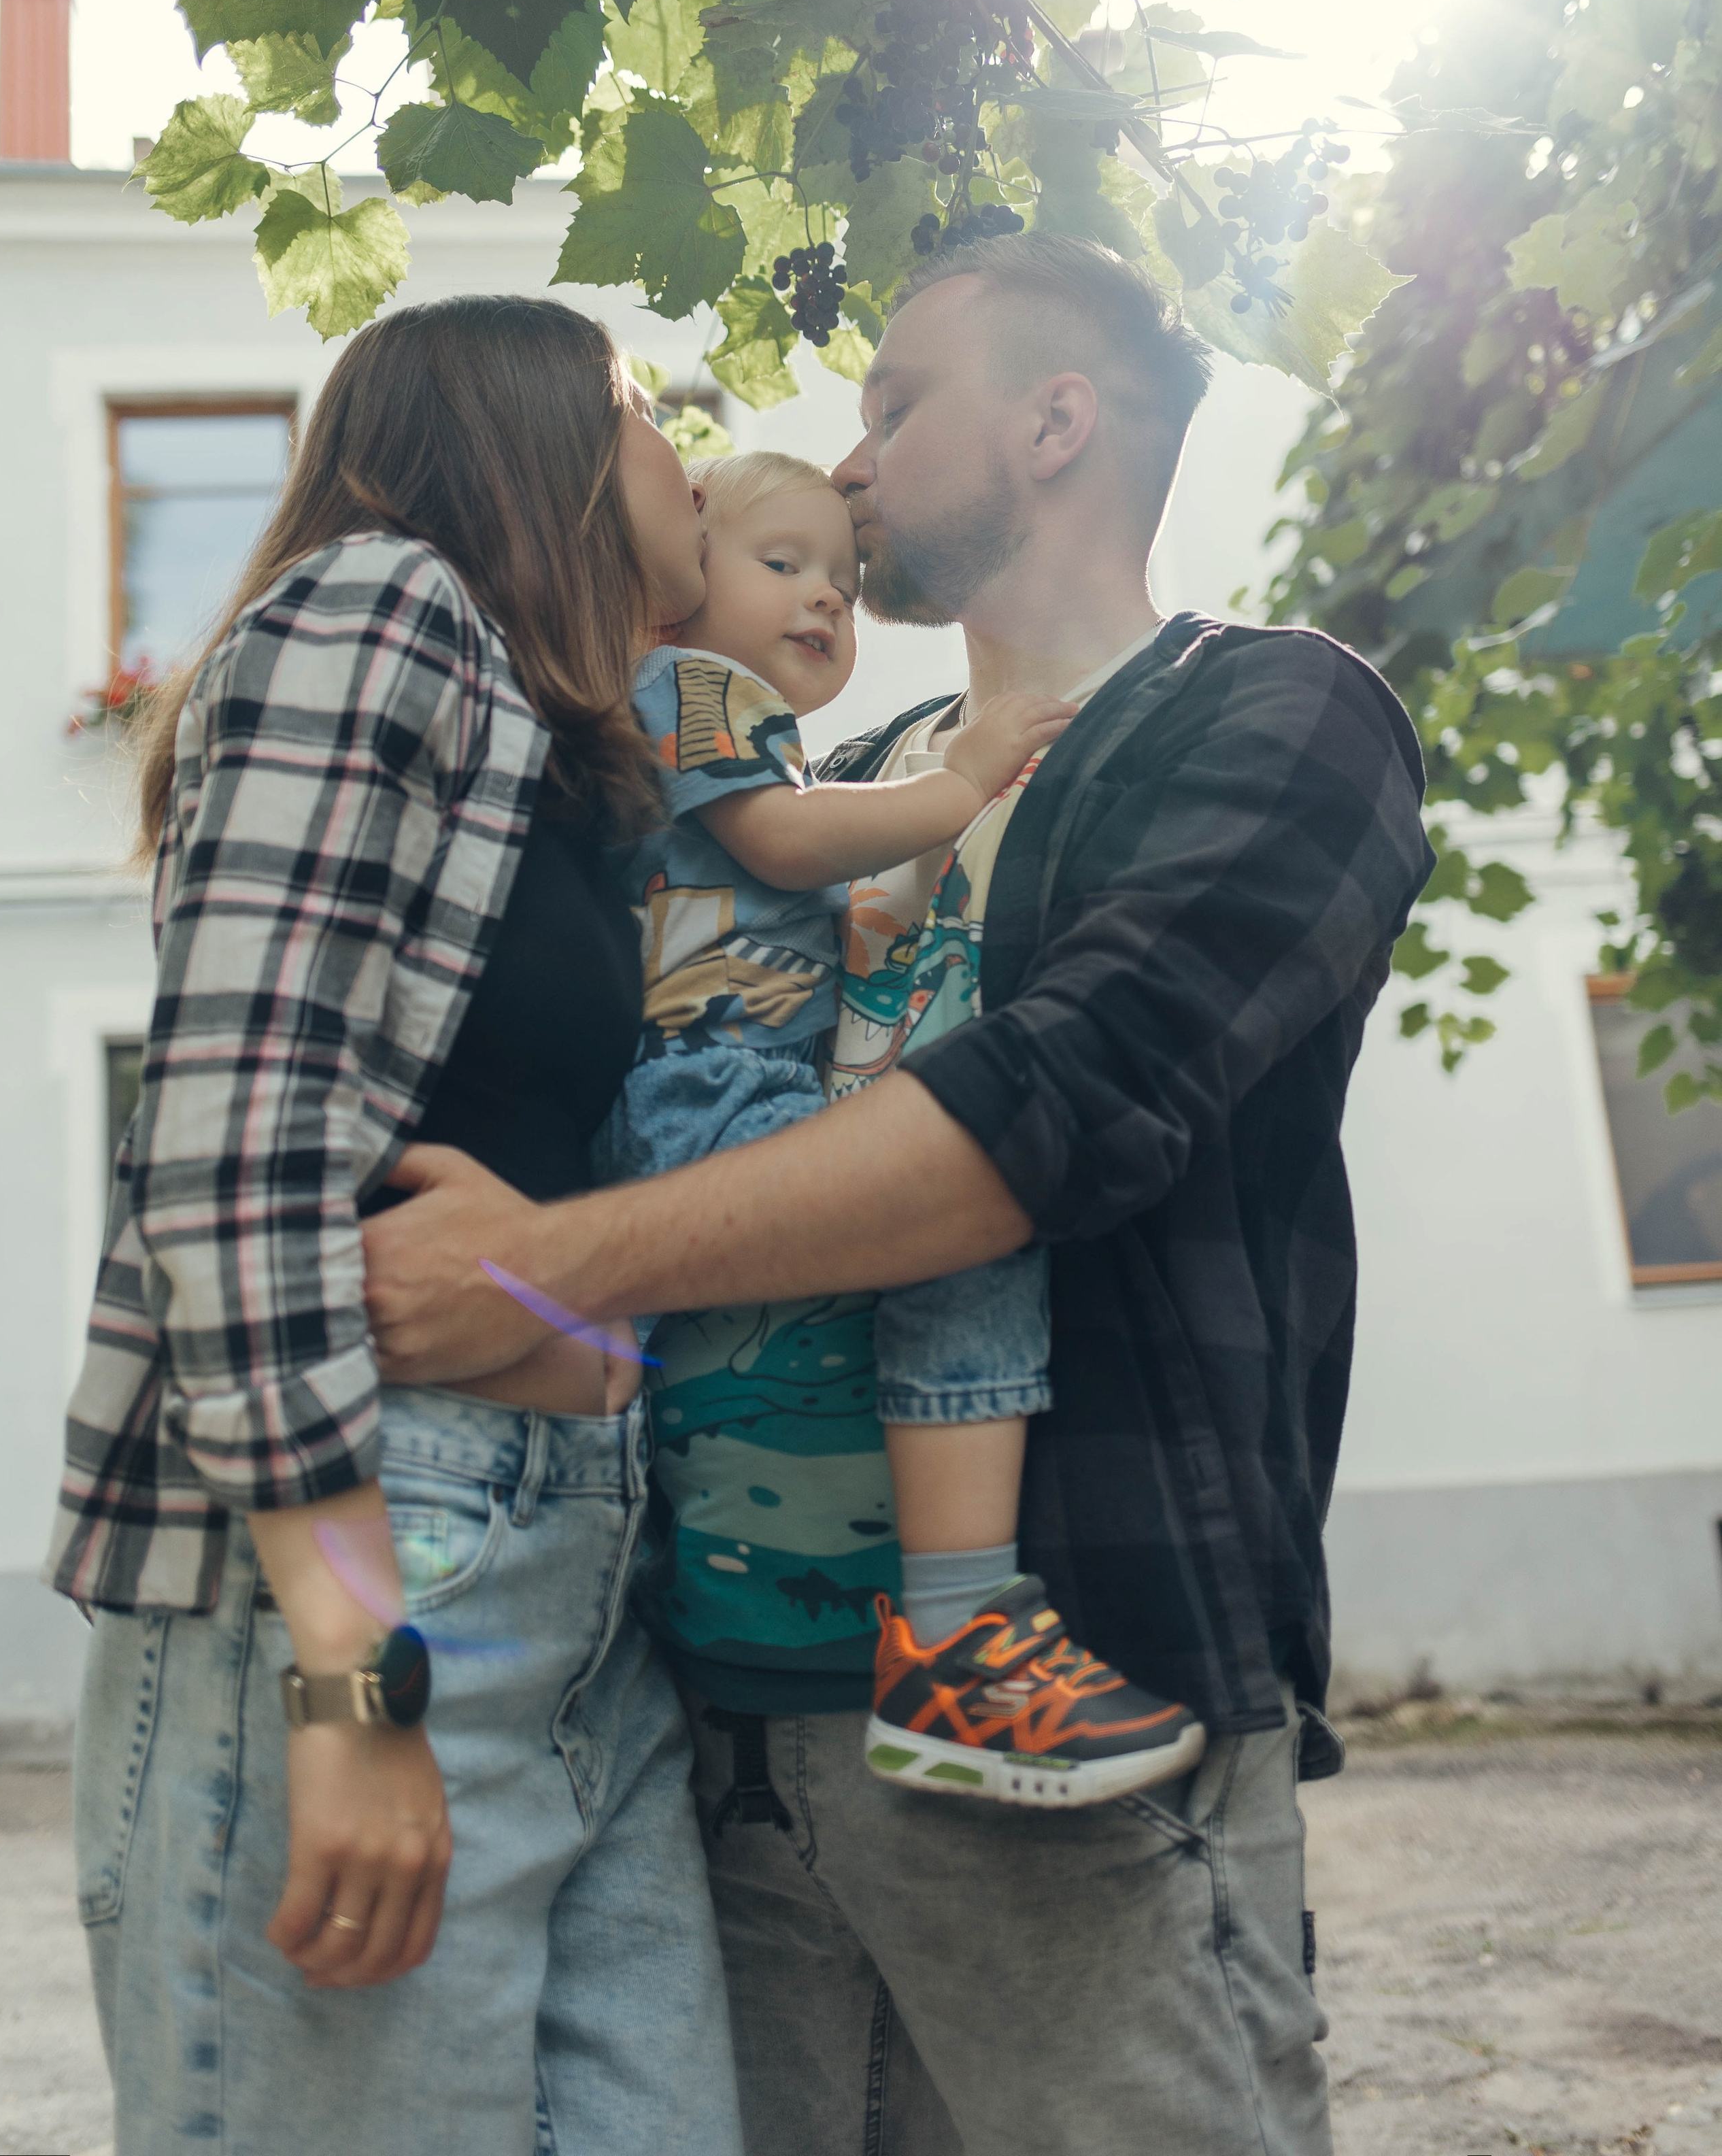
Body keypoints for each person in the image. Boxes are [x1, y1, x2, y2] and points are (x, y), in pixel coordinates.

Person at [361, 235, 1438, 2156]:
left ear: (1054, 422)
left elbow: (1039, 1115)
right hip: (721, 1719)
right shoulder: (807, 783)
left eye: (894, 407)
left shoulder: (1270, 720)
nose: (841, 470)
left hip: (1079, 1712)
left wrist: (535, 1272)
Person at [44, 296, 743, 2156]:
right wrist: (356, 1686)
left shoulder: (572, 761)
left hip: (567, 1580)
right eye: (650, 411)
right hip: (363, 1579)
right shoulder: (382, 605)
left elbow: (508, 1184)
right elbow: (227, 1146)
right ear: (546, 443)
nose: (698, 455)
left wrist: (588, 1347)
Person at [598, 444, 1203, 1804]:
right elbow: (781, 843)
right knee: (966, 1198)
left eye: (843, 580)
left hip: (710, 1092)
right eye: (781, 563)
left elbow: (792, 883)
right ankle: (955, 1628)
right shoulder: (693, 689)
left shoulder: (731, 714)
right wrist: (966, 776)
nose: (826, 599)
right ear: (679, 578)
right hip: (709, 1100)